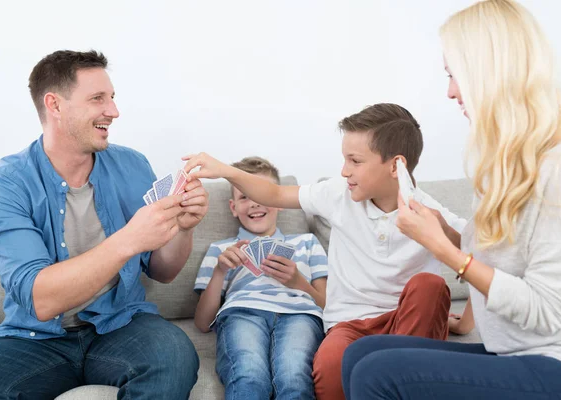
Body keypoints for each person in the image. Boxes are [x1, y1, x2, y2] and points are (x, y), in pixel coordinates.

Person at [341, 1, 561, 399]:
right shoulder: (505, 163)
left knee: (379, 373)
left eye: (454, 75)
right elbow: (499, 261)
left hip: (556, 364)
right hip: (514, 352)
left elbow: (547, 310)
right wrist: (446, 231)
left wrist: (443, 250)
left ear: (489, 73)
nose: (450, 92)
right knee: (360, 354)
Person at [182, 103, 467, 400]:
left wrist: (441, 235)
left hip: (404, 325)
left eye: (355, 161)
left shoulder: (430, 213)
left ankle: (400, 378)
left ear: (395, 166)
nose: (344, 171)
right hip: (350, 325)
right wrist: (225, 171)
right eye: (344, 159)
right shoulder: (337, 195)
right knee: (329, 369)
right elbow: (276, 193)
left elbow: (486, 257)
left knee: (429, 286)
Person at [0, 50, 208, 399]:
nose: (113, 111)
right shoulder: (3, 186)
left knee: (173, 357)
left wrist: (184, 228)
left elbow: (163, 271)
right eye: (98, 99)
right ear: (54, 105)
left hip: (122, 325)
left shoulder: (132, 165)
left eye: (111, 98)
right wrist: (129, 239)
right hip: (35, 338)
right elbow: (41, 299)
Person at [193, 156, 328, 400]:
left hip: (299, 314)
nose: (254, 203)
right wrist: (220, 271)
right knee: (249, 374)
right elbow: (202, 323)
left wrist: (297, 281)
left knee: (294, 376)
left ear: (280, 202)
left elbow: (327, 306)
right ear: (233, 208)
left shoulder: (307, 243)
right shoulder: (221, 249)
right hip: (244, 312)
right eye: (244, 196)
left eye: (262, 195)